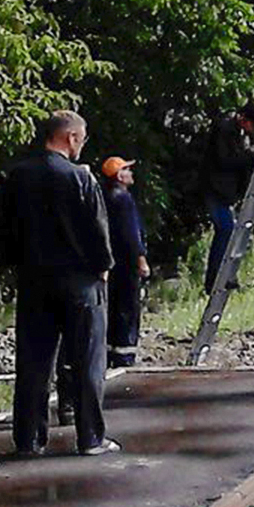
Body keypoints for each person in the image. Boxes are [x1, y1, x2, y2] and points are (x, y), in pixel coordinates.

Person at [4, 110, 117, 456]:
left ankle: (29, 439)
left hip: (34, 278)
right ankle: (91, 438)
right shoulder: (79, 178)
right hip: (80, 281)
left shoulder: (18, 175)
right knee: (87, 361)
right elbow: (96, 229)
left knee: (34, 363)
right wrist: (104, 267)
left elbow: (5, 228)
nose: (82, 145)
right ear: (70, 137)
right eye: (81, 139)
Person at [203, 100, 254, 295]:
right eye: (253, 125)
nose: (253, 131)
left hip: (227, 191)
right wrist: (253, 152)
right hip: (216, 189)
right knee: (226, 229)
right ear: (244, 118)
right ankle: (215, 279)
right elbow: (226, 160)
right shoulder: (224, 129)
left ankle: (225, 276)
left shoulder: (238, 131)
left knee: (230, 232)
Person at [101, 156, 149, 368]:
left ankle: (110, 351)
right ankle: (125, 354)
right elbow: (131, 233)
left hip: (111, 261)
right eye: (127, 170)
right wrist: (141, 259)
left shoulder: (104, 197)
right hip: (126, 262)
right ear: (120, 175)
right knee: (128, 308)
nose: (131, 174)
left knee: (112, 306)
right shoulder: (123, 199)